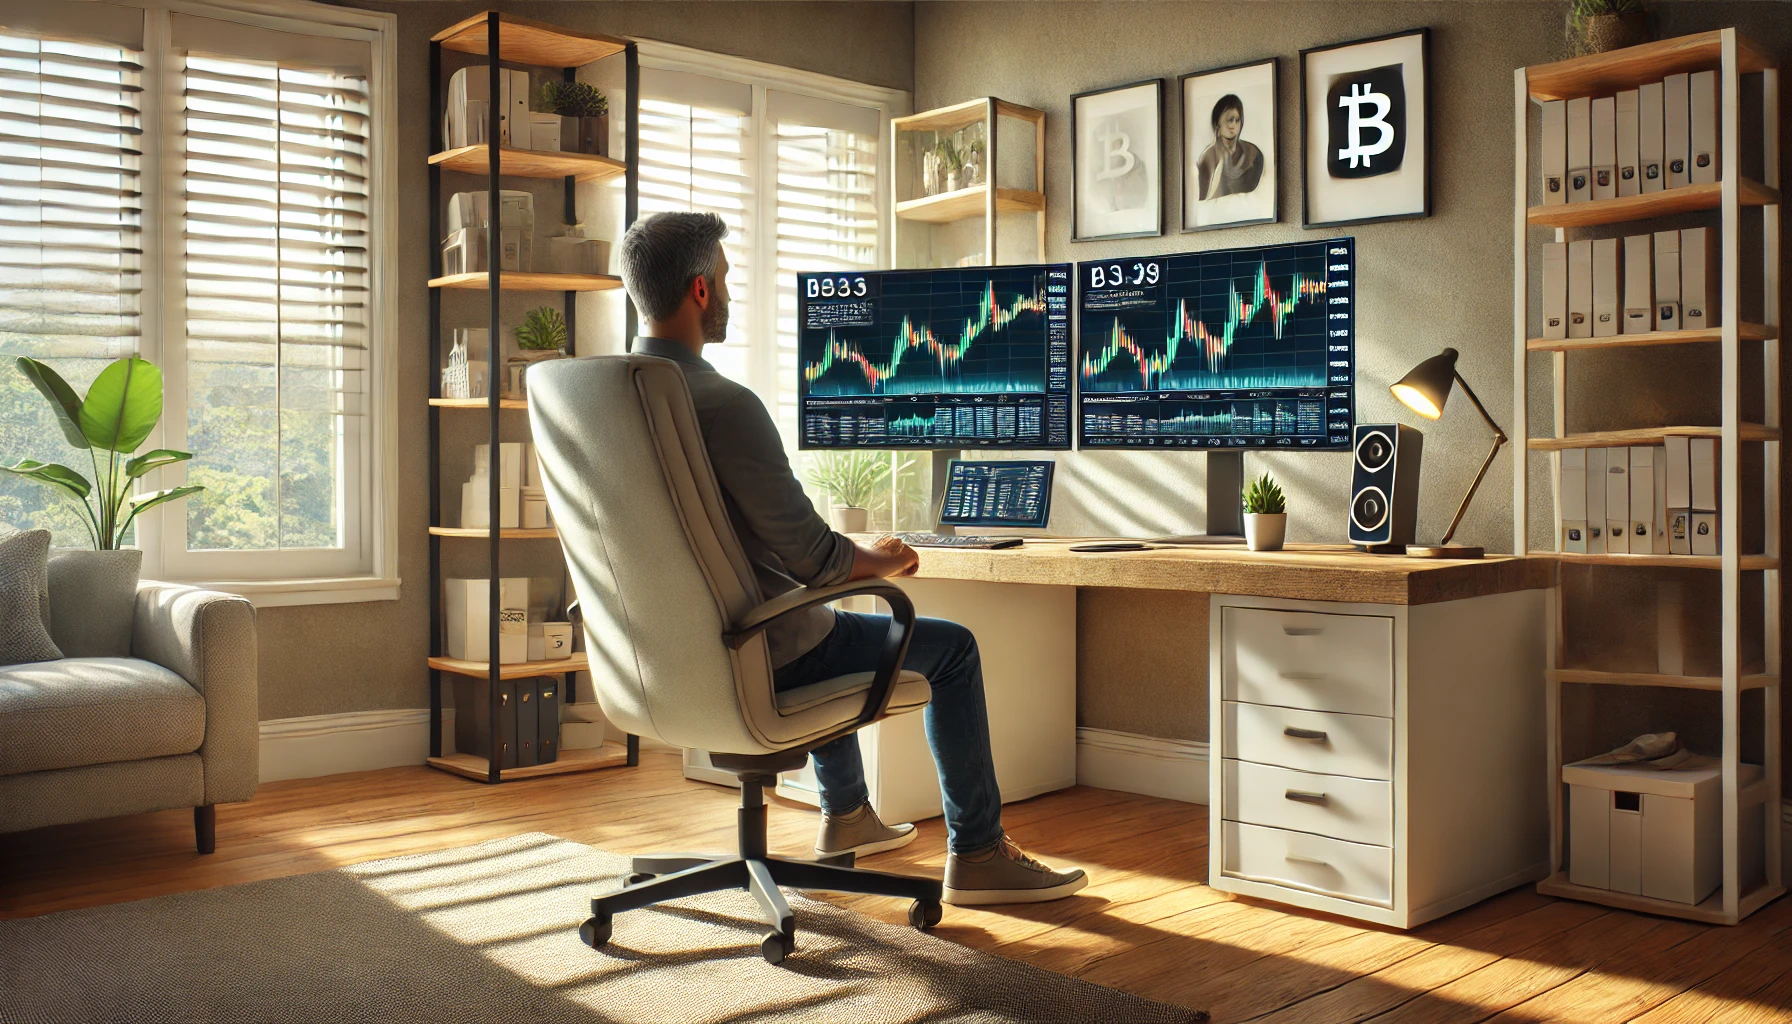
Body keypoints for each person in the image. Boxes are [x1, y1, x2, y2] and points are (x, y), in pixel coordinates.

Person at [616, 211, 1087, 906]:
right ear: (699, 292)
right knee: (949, 649)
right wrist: (881, 558)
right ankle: (980, 852)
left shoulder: (604, 398)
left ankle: (846, 813)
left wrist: (846, 561)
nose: (730, 291)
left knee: (825, 620)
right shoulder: (721, 403)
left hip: (655, 663)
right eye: (724, 277)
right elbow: (813, 558)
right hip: (756, 654)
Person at [1195, 93, 1265, 201]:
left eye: (1237, 120)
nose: (1233, 125)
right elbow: (1203, 200)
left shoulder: (1253, 154)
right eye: (1229, 120)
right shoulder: (1207, 157)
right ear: (1218, 123)